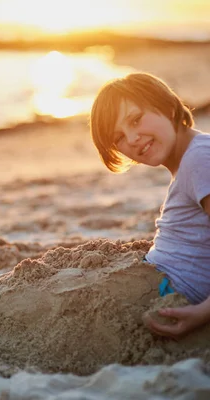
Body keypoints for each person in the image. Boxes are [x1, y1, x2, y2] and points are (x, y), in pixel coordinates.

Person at [90, 72, 210, 339]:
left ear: (167, 106)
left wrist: (204, 311)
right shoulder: (192, 158)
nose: (132, 139)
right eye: (118, 137)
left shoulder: (199, 160)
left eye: (135, 119)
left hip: (171, 295)